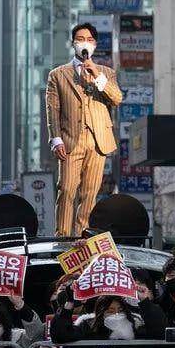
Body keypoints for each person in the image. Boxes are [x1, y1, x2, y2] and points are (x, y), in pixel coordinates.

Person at [45, 22, 123, 236]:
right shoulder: (58, 75)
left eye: (89, 39)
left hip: (98, 142)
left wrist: (97, 74)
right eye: (80, 39)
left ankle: (83, 237)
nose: (84, 43)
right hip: (70, 141)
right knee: (67, 190)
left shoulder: (106, 73)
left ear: (95, 44)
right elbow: (53, 109)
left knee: (90, 193)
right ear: (73, 43)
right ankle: (62, 237)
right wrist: (56, 139)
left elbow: (117, 98)